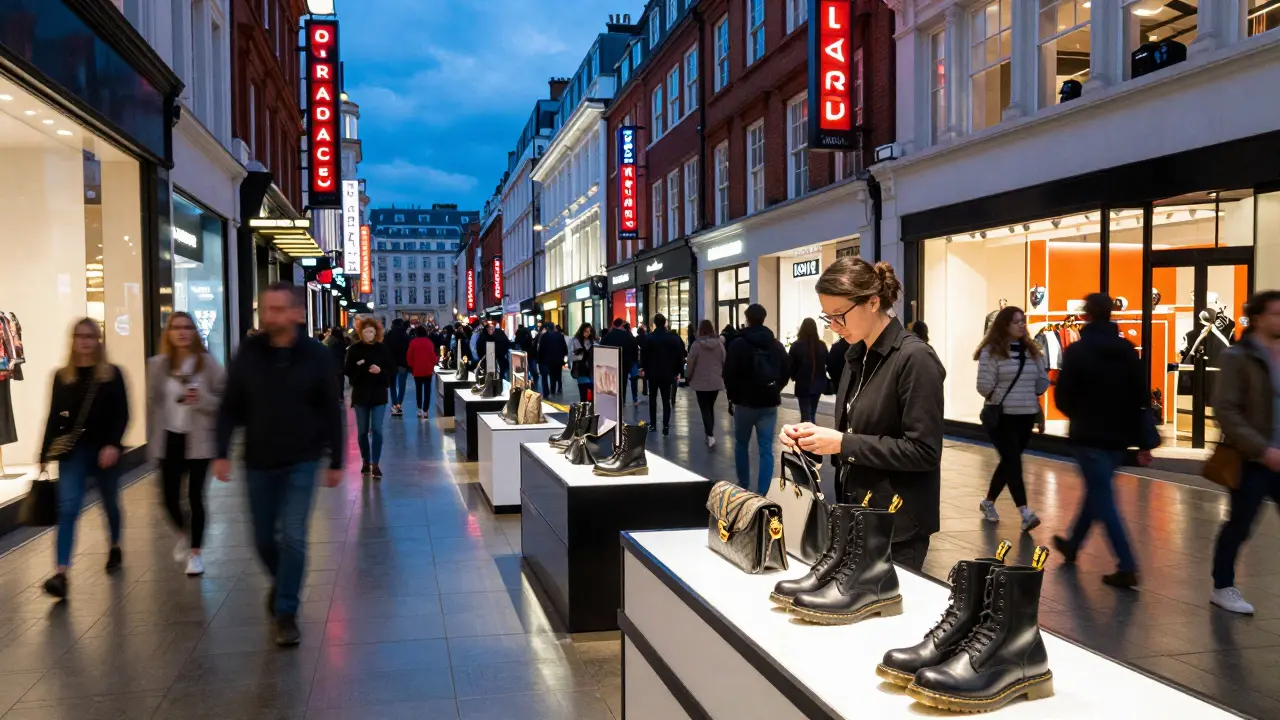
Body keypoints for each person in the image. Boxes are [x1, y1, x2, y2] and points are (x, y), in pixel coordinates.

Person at [780, 259, 944, 571]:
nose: (834, 326)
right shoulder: (855, 355)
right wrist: (811, 439)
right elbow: (858, 429)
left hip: (896, 526)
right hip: (855, 513)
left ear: (873, 302)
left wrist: (842, 443)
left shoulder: (915, 358)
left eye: (839, 316)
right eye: (827, 317)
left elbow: (924, 452)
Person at [214, 283, 344, 646]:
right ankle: (282, 581)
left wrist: (336, 458)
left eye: (278, 309)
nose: (271, 316)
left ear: (296, 313)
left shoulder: (315, 355)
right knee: (261, 539)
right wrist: (221, 450)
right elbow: (230, 405)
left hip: (302, 459)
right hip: (258, 459)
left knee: (294, 536)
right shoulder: (249, 354)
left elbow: (331, 410)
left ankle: (286, 610)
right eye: (266, 309)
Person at [1052, 293, 1149, 588]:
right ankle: (1072, 544)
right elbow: (1141, 395)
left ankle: (1127, 563)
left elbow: (1063, 397)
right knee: (1098, 491)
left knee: (1103, 498)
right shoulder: (1128, 350)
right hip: (1119, 439)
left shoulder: (1078, 352)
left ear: (1086, 316)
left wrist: (1080, 415)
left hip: (1089, 435)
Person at [40, 319, 130, 599]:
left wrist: (113, 445)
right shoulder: (62, 376)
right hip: (73, 451)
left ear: (98, 340)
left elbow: (123, 414)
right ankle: (61, 572)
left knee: (109, 503)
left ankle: (114, 543)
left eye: (91, 336)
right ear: (73, 340)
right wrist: (42, 454)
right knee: (68, 507)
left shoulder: (111, 374)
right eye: (80, 336)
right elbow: (53, 416)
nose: (85, 341)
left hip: (104, 450)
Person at [1210, 290, 1280, 614]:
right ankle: (1223, 586)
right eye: (1276, 314)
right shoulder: (1238, 356)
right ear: (1257, 318)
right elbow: (1226, 409)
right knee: (1240, 522)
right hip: (1253, 458)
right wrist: (1262, 449)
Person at [147, 312, 224, 577]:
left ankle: (195, 554)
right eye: (176, 327)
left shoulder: (207, 364)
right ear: (168, 332)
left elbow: (223, 403)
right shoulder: (157, 366)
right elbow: (152, 405)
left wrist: (201, 398)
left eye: (187, 328)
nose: (181, 332)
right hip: (169, 438)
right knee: (168, 499)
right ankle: (185, 532)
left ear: (194, 332)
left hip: (199, 440)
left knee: (195, 496)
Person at [974, 306, 1050, 532]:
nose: (1021, 325)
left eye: (1023, 321)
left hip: (1026, 415)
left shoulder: (1032, 350)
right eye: (1016, 321)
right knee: (1013, 462)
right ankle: (1025, 512)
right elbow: (983, 386)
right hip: (1002, 415)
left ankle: (988, 502)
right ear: (1004, 325)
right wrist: (1004, 392)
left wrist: (1029, 392)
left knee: (1009, 461)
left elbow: (1042, 382)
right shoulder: (992, 351)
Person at [725, 304, 791, 493]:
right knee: (766, 448)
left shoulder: (738, 343)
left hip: (744, 403)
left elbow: (729, 373)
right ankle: (763, 490)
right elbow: (786, 369)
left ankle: (743, 484)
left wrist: (732, 397)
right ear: (764, 318)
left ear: (747, 319)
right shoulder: (775, 344)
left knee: (741, 444)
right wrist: (776, 388)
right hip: (768, 403)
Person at [345, 317, 393, 478]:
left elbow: (390, 368)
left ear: (376, 333)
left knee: (377, 429)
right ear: (361, 332)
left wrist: (380, 371)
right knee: (362, 431)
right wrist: (360, 368)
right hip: (360, 395)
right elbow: (347, 370)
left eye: (371, 331)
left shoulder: (382, 349)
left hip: (379, 394)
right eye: (366, 331)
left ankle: (375, 462)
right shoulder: (353, 350)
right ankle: (365, 459)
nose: (368, 334)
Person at [642, 314, 687, 436]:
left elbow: (644, 356)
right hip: (668, 373)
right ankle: (666, 424)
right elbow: (680, 355)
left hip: (653, 373)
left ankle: (653, 424)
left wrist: (645, 369)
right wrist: (677, 371)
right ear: (665, 323)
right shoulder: (672, 338)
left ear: (655, 323)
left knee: (652, 398)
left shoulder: (650, 338)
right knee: (666, 399)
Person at [686, 319, 726, 448]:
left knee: (704, 408)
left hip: (700, 382)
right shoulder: (719, 344)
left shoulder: (696, 345)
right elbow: (724, 360)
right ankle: (710, 434)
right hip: (715, 381)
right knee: (710, 407)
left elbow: (691, 363)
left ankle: (709, 435)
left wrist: (688, 376)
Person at [788, 318, 829, 424]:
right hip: (818, 383)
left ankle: (806, 431)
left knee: (805, 413)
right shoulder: (821, 345)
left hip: (802, 383)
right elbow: (827, 362)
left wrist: (794, 376)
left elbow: (790, 365)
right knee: (812, 411)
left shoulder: (796, 346)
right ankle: (812, 425)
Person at [600, 318, 639, 406]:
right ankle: (622, 399)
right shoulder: (627, 336)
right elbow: (634, 348)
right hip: (625, 363)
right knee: (623, 381)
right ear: (622, 325)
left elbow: (602, 346)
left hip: (611, 362)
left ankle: (613, 399)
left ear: (614, 325)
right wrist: (633, 361)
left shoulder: (608, 336)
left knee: (612, 381)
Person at [405, 326, 440, 419]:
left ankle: (419, 409)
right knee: (427, 391)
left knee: (418, 390)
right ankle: (426, 411)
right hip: (427, 370)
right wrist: (437, 360)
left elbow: (409, 356)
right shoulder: (429, 342)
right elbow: (433, 357)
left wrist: (411, 365)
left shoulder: (413, 342)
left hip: (417, 370)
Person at [384, 318, 410, 417]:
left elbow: (384, 350)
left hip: (391, 364)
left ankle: (394, 404)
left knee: (392, 385)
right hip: (403, 364)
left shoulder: (388, 336)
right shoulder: (405, 336)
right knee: (402, 385)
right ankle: (398, 405)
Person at [538, 322, 568, 396]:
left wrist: (539, 359)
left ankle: (552, 389)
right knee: (558, 373)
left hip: (549, 359)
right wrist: (563, 355)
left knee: (552, 375)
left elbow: (541, 348)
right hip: (558, 359)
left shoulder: (545, 336)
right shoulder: (560, 335)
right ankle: (560, 386)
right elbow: (564, 347)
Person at [571, 323, 596, 402]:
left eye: (589, 331)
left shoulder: (593, 341)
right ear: (582, 331)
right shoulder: (576, 341)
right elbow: (572, 355)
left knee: (592, 394)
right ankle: (584, 411)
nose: (587, 333)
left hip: (591, 370)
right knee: (583, 393)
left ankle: (590, 410)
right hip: (581, 369)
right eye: (586, 331)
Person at [322, 325, 348, 399]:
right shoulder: (343, 342)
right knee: (340, 381)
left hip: (329, 365)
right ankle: (340, 396)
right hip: (340, 365)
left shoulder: (328, 340)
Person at [635, 325, 650, 405]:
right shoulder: (647, 337)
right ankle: (646, 389)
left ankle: (644, 390)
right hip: (647, 356)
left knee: (642, 372)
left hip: (641, 357)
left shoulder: (637, 338)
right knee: (647, 373)